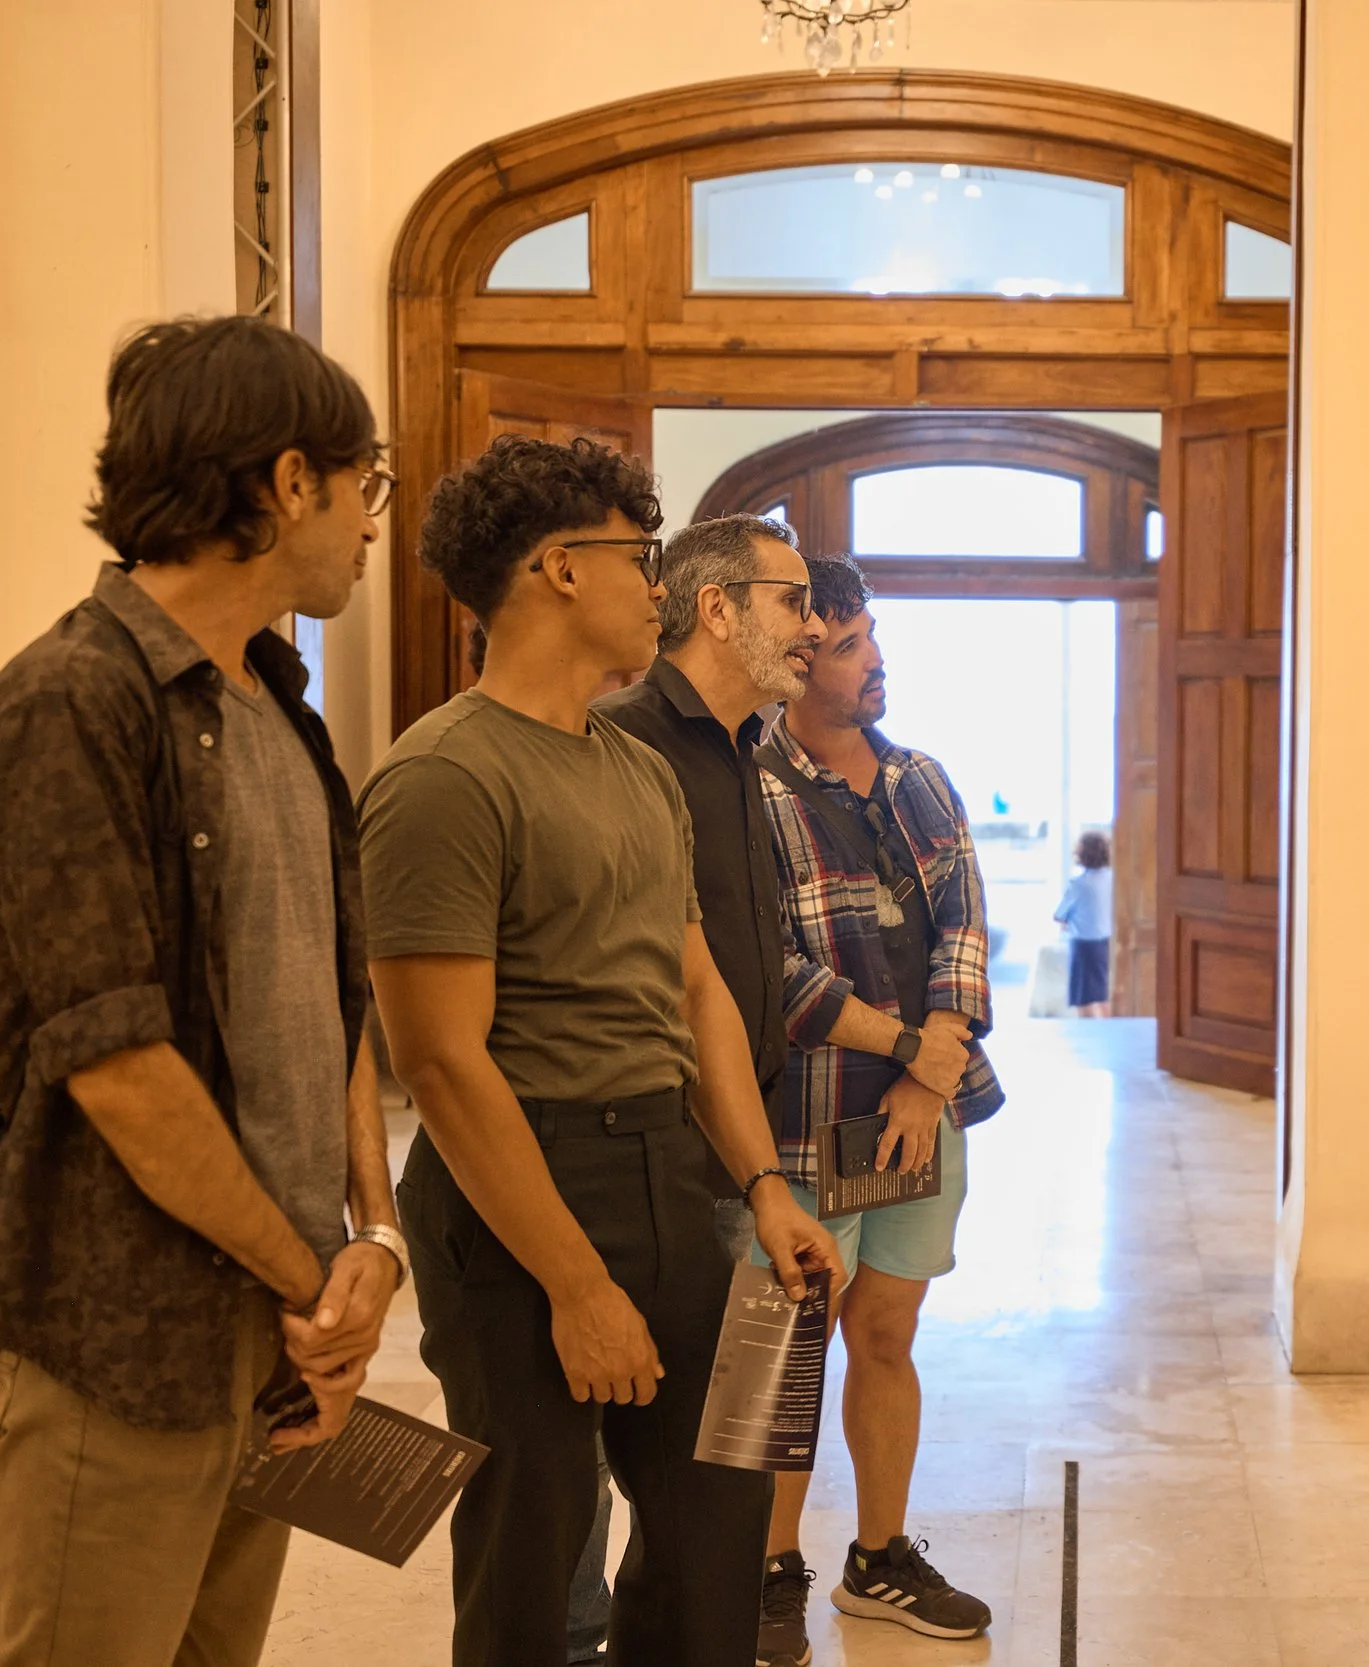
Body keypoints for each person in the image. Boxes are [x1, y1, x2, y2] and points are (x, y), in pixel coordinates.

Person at [0, 314, 405, 1667]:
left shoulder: (276, 703)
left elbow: (330, 1007)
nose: (372, 525)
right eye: (361, 484)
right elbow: (119, 1065)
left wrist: (368, 1240)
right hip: (130, 1330)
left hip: (278, 1331)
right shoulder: (69, 701)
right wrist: (307, 1274)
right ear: (285, 483)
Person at [360, 435, 840, 1667]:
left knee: (711, 1521)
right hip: (519, 1187)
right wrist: (577, 1288)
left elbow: (696, 996)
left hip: (667, 1170)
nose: (660, 589)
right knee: (535, 1540)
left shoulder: (634, 767)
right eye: (639, 559)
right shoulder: (441, 773)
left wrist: (763, 1183)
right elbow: (442, 1063)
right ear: (558, 571)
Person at [752, 552, 1001, 1664]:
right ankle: (768, 1570)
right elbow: (776, 972)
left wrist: (929, 1066)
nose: (875, 662)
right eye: (850, 646)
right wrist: (905, 1048)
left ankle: (879, 1554)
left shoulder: (919, 779)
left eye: (871, 639)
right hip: (807, 1115)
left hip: (918, 1114)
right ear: (794, 661)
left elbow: (963, 920)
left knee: (887, 1332)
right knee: (793, 1348)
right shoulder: (743, 789)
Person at [584, 511, 824, 1658]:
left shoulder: (747, 746)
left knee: (714, 1495)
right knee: (632, 1497)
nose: (815, 625)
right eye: (793, 598)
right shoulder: (623, 739)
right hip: (649, 1162)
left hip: (743, 1155)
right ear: (718, 606)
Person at [1055, 830, 1116, 1017]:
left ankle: (1086, 1033)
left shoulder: (1078, 884)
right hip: (1107, 941)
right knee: (1104, 993)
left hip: (1083, 944)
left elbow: (1059, 915)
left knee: (1083, 996)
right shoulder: (1113, 878)